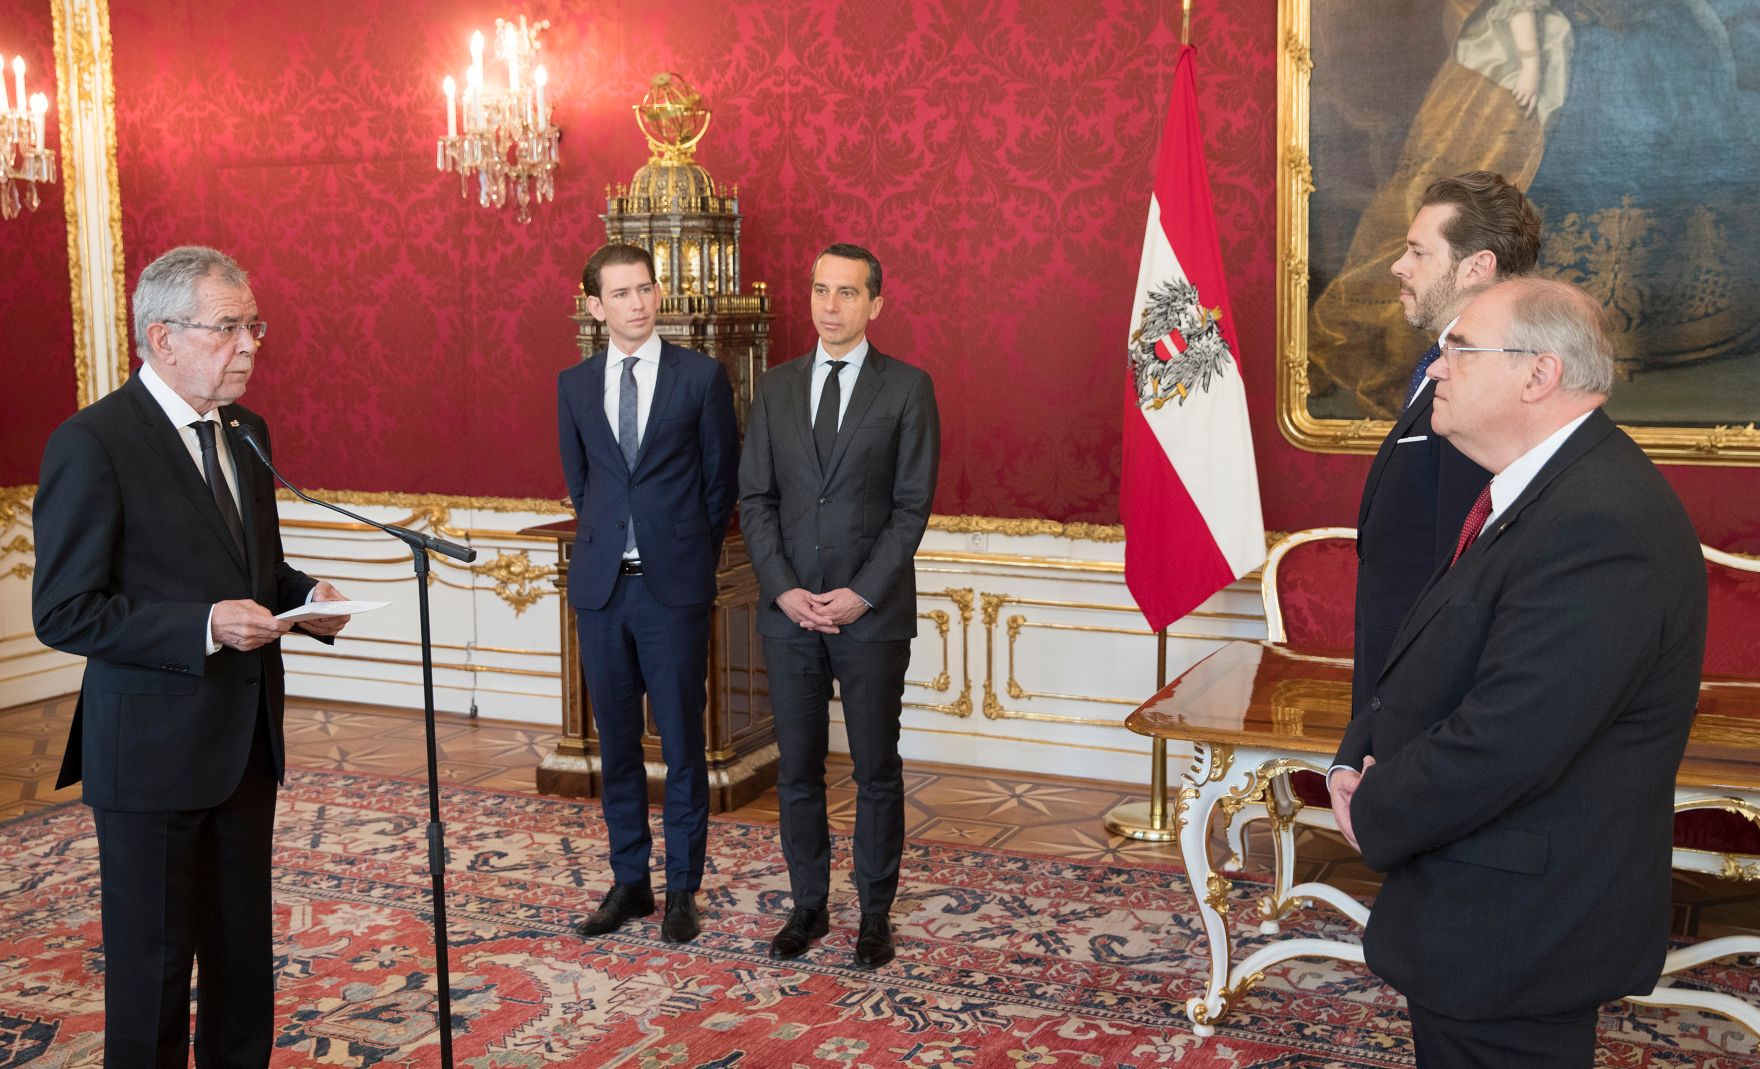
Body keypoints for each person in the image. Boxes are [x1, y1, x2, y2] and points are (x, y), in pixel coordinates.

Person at [1328, 278, 1707, 1067]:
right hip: (1485, 908)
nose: (1435, 368)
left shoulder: (1602, 520)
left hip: (1520, 930)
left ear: (1539, 375)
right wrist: (1354, 750)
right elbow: (1437, 649)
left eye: (1460, 349)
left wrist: (1376, 808)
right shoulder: (1540, 491)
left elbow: (1509, 734)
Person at [32, 245, 353, 1066]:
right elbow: (65, 610)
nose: (250, 344)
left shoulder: (247, 430)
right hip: (148, 756)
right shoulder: (93, 442)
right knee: (155, 973)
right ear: (162, 337)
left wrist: (306, 597)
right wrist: (205, 626)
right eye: (230, 328)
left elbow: (250, 565)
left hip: (244, 738)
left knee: (243, 962)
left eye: (255, 326)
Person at [738, 242, 939, 969]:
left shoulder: (908, 388)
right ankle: (809, 907)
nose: (829, 305)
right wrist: (785, 588)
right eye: (820, 289)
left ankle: (875, 916)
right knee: (796, 769)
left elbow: (912, 508)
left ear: (875, 303)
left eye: (846, 292)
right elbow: (755, 498)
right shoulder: (777, 386)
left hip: (871, 617)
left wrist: (860, 594)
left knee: (875, 769)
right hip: (789, 615)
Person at [557, 243, 739, 945]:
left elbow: (720, 481)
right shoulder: (574, 384)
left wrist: (680, 546)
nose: (638, 302)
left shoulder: (701, 377)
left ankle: (682, 890)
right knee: (618, 746)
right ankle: (630, 881)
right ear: (596, 306)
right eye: (622, 293)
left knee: (684, 744)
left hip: (673, 592)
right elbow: (583, 484)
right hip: (602, 591)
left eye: (645, 289)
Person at [1352, 172, 1538, 718]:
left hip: (1428, 707)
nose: (1397, 266)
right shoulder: (1449, 363)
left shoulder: (1487, 380)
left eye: (1417, 252)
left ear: (1477, 266)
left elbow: (1463, 574)